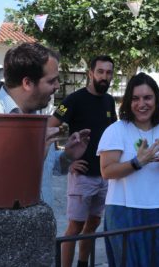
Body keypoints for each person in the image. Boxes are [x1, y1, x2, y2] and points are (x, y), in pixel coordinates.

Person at [0, 42, 90, 210]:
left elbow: (48, 169)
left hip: (41, 228)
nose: (57, 86)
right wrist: (33, 155)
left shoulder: (38, 117)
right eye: (51, 81)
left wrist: (67, 156)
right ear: (27, 83)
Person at [97, 72, 159, 267]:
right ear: (128, 101)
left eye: (147, 97)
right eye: (135, 98)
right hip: (123, 211)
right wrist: (137, 162)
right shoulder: (116, 130)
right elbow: (107, 171)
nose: (141, 104)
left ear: (156, 100)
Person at [48, 55, 117, 267]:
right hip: (81, 176)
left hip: (104, 177)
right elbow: (49, 126)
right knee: (74, 228)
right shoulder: (73, 100)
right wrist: (67, 161)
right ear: (90, 73)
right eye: (100, 72)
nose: (104, 77)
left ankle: (83, 264)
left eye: (108, 73)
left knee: (93, 225)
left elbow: (113, 132)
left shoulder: (109, 101)